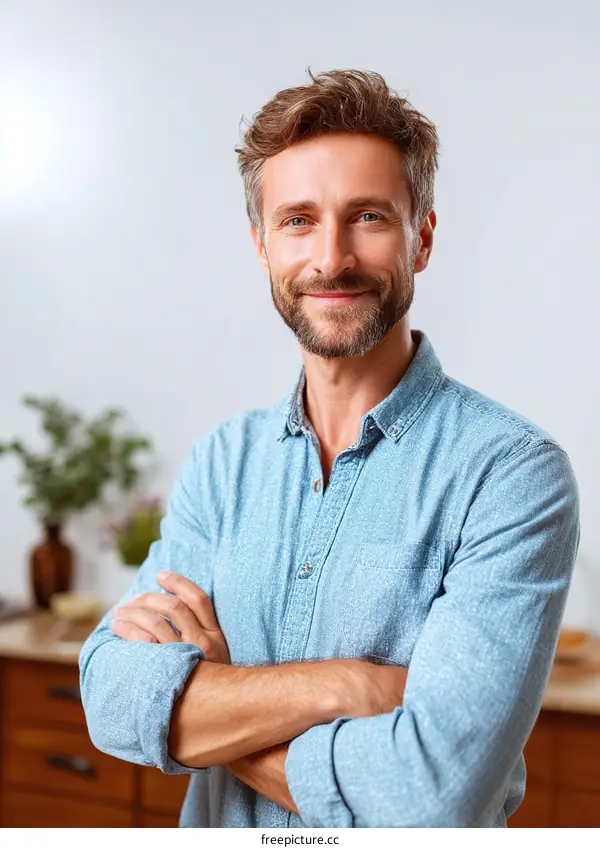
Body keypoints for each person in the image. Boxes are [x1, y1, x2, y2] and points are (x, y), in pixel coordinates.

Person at [79, 68, 580, 828]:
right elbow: (111, 697)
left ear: (422, 238)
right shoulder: (223, 464)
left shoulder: (510, 474)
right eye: (298, 221)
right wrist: (348, 686)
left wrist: (211, 706)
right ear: (262, 246)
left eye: (368, 217)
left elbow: (427, 798)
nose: (331, 258)